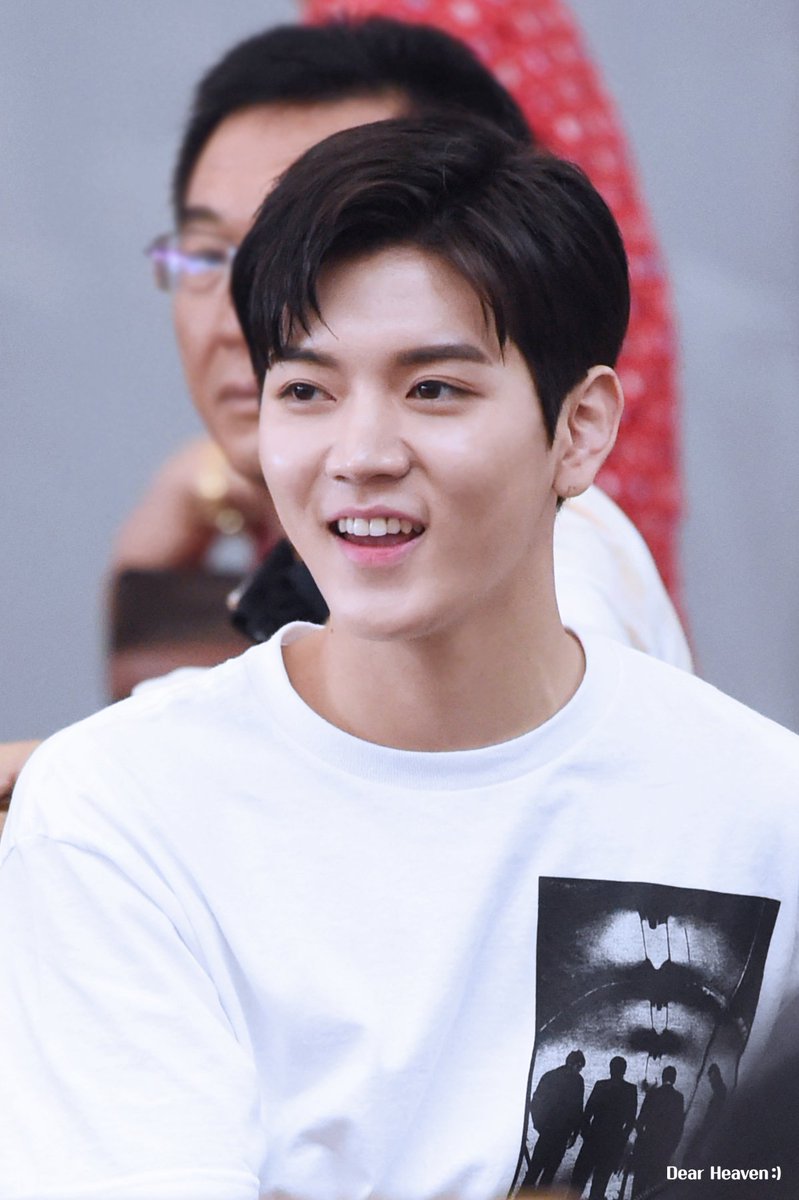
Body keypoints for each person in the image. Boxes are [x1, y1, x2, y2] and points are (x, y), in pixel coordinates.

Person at [2, 115, 799, 1200]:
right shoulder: (119, 813)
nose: (362, 455)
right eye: (306, 391)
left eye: (434, 389)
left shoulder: (758, 812)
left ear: (580, 428)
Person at [0, 14, 691, 812]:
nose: (244, 314)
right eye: (207, 255)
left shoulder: (542, 553)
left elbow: (502, 765)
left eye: (332, 241)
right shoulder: (303, 518)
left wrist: (79, 776)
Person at [569, 1056, 638, 1199]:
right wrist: (620, 1142)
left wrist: (587, 1135)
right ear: (624, 1071)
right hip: (611, 1145)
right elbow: (630, 1121)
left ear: (610, 1069)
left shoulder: (600, 1086)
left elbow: (587, 1113)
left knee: (576, 1185)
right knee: (599, 1188)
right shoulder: (630, 1090)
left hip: (592, 1141)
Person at [522, 1050, 586, 1189]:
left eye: (581, 1068)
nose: (579, 1070)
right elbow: (536, 1103)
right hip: (553, 1133)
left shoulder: (571, 1080)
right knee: (539, 1173)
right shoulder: (556, 1078)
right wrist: (540, 1126)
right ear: (571, 1063)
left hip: (556, 1134)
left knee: (542, 1173)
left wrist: (574, 1134)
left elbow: (578, 1109)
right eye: (579, 1066)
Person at [631, 1066, 685, 1197]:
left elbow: (640, 1121)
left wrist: (642, 1138)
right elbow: (678, 1128)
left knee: (639, 1187)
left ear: (662, 1077)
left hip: (646, 1146)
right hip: (662, 1150)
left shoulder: (652, 1094)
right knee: (653, 1188)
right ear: (674, 1079)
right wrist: (671, 1148)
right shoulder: (678, 1098)